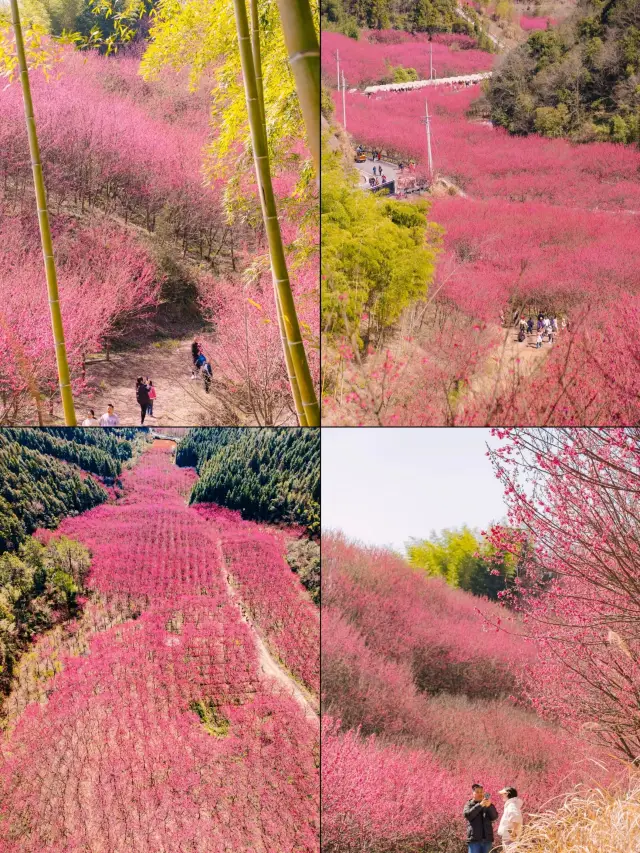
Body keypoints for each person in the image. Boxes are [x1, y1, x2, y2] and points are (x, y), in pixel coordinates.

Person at [464, 784, 498, 853]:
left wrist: (490, 807)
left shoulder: (488, 804)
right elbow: (468, 815)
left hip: (487, 839)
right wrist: (480, 805)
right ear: (472, 794)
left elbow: (494, 817)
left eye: (481, 792)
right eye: (477, 792)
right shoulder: (469, 804)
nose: (480, 793)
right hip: (474, 839)